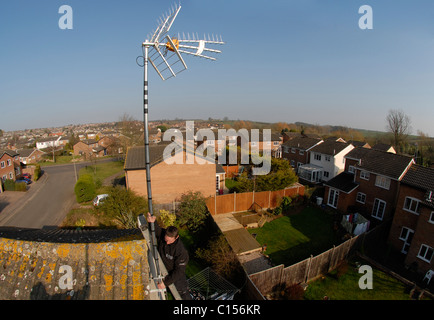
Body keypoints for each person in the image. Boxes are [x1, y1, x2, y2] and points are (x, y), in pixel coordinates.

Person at [147, 212, 192, 300]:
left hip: (176, 278)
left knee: (181, 295)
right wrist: (152, 222)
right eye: (166, 240)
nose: (167, 243)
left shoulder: (181, 251)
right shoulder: (163, 234)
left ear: (176, 237)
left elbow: (179, 271)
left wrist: (166, 283)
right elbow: (156, 230)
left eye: (170, 241)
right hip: (164, 272)